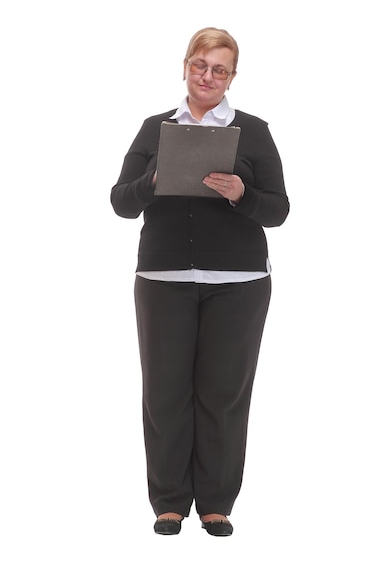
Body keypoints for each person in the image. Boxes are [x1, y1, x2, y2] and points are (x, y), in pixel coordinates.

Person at [110, 27, 290, 536]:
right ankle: (169, 501)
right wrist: (153, 181)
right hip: (163, 278)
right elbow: (121, 201)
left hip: (240, 281)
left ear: (232, 76)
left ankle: (216, 502)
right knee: (165, 392)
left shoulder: (253, 131)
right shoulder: (154, 128)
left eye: (220, 69)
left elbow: (278, 210)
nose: (207, 76)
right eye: (199, 65)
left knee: (223, 394)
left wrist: (241, 193)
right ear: (185, 65)